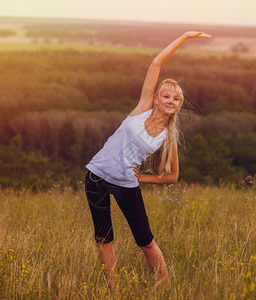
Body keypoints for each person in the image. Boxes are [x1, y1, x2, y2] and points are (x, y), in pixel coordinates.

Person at [84, 31, 212, 287]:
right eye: (166, 96)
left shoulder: (168, 137)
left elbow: (172, 176)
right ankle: (114, 289)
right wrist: (185, 37)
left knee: (145, 241)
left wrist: (141, 177)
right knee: (104, 239)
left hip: (126, 186)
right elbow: (156, 64)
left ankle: (165, 288)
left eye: (176, 99)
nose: (170, 101)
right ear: (156, 98)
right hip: (96, 177)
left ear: (178, 106)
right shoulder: (142, 108)